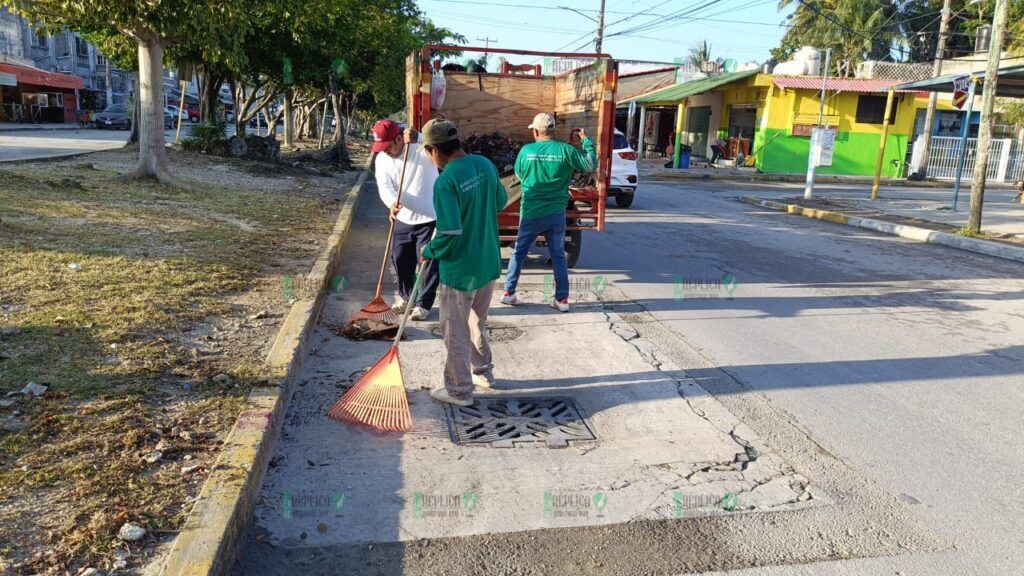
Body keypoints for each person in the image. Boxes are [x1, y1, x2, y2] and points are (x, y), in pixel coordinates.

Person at [420, 119, 508, 407]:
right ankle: (483, 372)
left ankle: (459, 390)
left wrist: (429, 249)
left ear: (434, 150)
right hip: (487, 263)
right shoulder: (484, 164)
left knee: (454, 329)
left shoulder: (446, 181)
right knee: (475, 321)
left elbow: (450, 234)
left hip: (461, 271)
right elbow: (500, 202)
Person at [501, 113, 595, 313]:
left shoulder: (526, 151)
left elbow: (518, 175)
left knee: (519, 252)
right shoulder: (566, 150)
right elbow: (588, 165)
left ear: (535, 131)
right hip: (555, 213)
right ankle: (562, 300)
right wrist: (586, 142)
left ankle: (508, 293)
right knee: (558, 255)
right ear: (553, 131)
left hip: (530, 212)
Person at [372, 119, 440, 321]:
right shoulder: (382, 159)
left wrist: (419, 138)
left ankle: (423, 305)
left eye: (388, 146)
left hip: (429, 217)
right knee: (400, 259)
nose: (385, 151)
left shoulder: (421, 148)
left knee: (427, 262)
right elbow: (384, 186)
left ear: (400, 138)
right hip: (403, 218)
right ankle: (406, 297)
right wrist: (392, 202)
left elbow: (441, 145)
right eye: (381, 147)